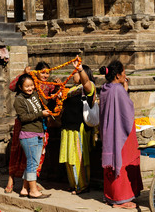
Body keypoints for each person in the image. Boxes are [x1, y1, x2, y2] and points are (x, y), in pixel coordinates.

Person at [6, 61, 59, 194]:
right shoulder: (21, 97)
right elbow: (12, 87)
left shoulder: (41, 90)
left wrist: (58, 89)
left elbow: (48, 103)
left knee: (34, 159)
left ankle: (26, 187)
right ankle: (13, 181)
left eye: (47, 73)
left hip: (39, 127)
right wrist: (24, 74)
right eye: (42, 72)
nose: (45, 75)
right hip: (26, 128)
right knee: (20, 154)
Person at [98, 60, 143, 209]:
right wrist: (124, 90)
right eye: (123, 73)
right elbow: (127, 109)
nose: (125, 75)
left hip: (108, 132)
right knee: (123, 161)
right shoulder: (117, 90)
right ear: (117, 75)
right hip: (120, 133)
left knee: (112, 163)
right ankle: (120, 200)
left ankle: (111, 196)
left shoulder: (106, 88)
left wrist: (124, 88)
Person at [59, 58, 96, 195]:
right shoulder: (72, 89)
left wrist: (80, 69)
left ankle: (83, 185)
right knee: (69, 158)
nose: (73, 75)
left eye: (75, 73)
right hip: (67, 127)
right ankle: (73, 184)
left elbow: (85, 82)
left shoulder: (88, 87)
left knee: (78, 157)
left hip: (78, 128)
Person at [13, 74, 51, 199]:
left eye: (31, 85)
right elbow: (23, 118)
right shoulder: (19, 100)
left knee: (33, 163)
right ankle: (33, 191)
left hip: (39, 133)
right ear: (20, 87)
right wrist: (41, 114)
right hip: (28, 134)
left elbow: (45, 103)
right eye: (27, 86)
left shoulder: (35, 94)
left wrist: (42, 93)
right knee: (32, 163)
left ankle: (25, 189)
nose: (30, 88)